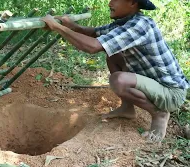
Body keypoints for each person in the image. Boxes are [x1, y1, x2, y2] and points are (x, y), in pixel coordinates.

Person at [41, 0, 189, 142]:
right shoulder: (125, 22)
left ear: (132, 3)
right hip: (155, 83)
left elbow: (92, 46)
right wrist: (72, 25)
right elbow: (94, 33)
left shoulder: (139, 25)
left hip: (171, 93)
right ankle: (127, 107)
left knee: (119, 80)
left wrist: (58, 28)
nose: (110, 3)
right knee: (113, 55)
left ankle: (159, 114)